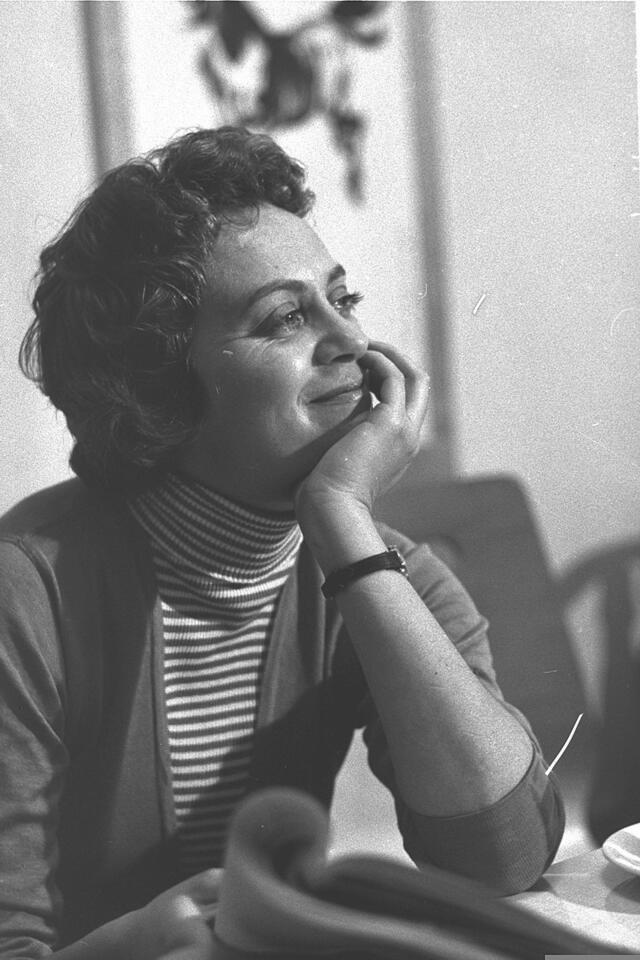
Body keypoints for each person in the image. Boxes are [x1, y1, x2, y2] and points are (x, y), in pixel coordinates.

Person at [0, 127, 564, 959]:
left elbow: (502, 858)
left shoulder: (379, 568)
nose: (352, 345)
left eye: (346, 299)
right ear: (161, 384)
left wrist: (339, 516)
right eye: (285, 318)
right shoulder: (27, 592)